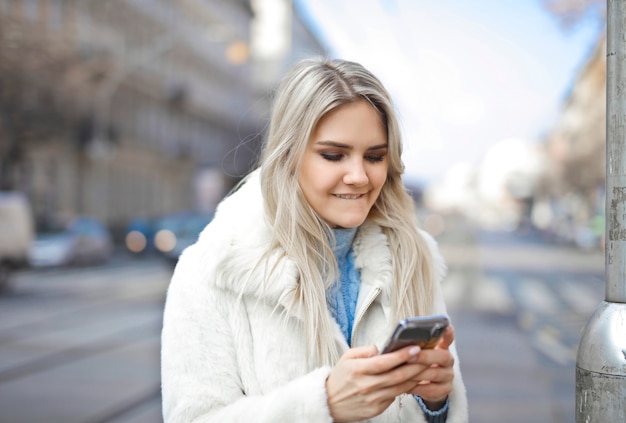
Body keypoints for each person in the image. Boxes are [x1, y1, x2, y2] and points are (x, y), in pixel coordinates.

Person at [161, 57, 468, 422]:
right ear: (290, 156)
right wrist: (322, 406)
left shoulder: (414, 257)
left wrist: (435, 403)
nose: (358, 176)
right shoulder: (214, 268)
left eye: (374, 156)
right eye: (333, 155)